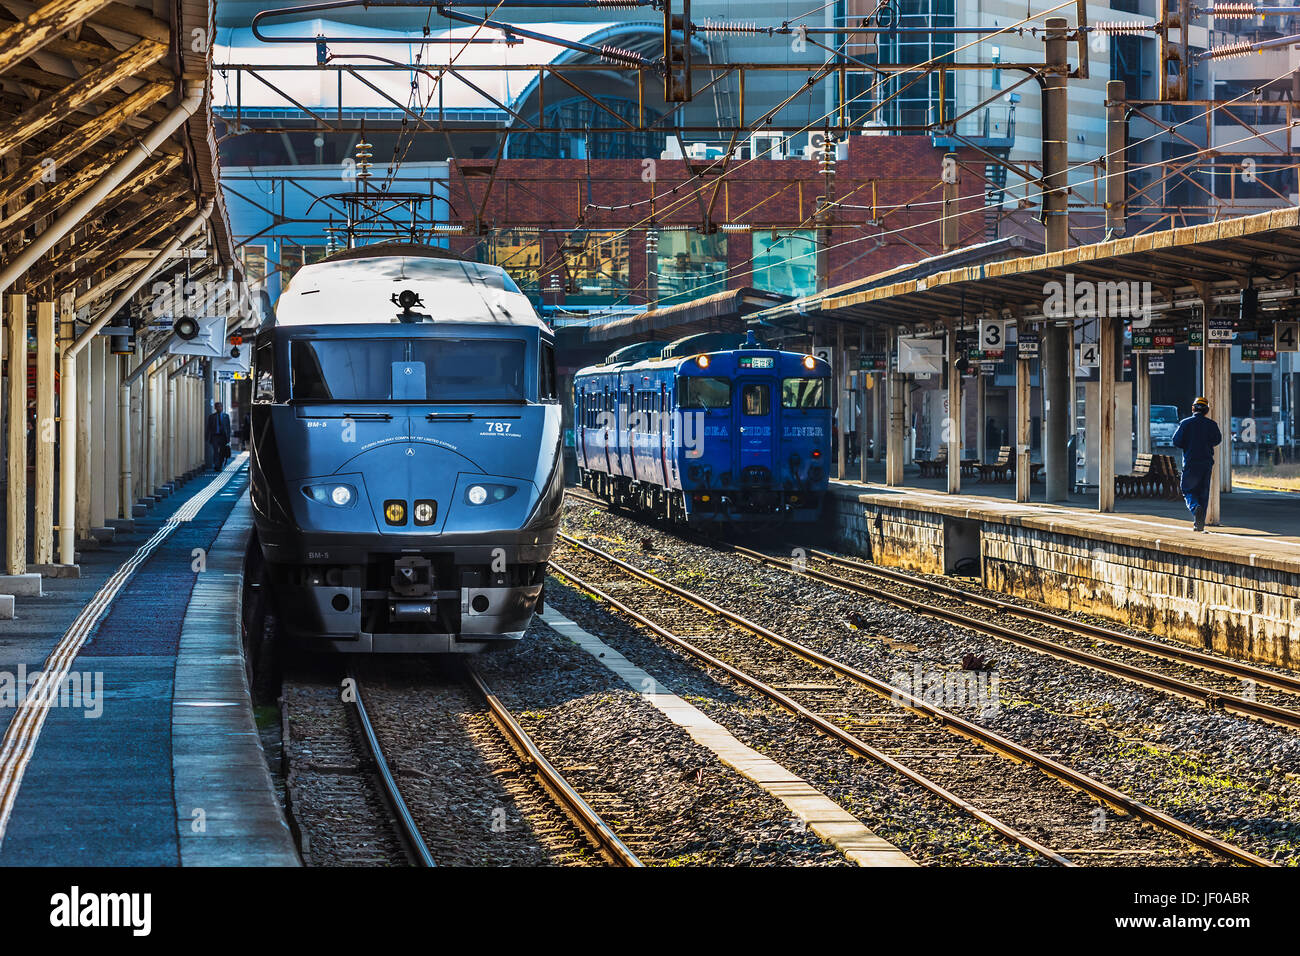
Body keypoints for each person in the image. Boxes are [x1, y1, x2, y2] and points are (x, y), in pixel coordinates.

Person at [1171, 396, 1222, 532]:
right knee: (1203, 492)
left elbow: (1176, 441)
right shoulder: (1212, 425)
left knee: (1187, 489)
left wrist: (1189, 443)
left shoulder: (1185, 423)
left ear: (1193, 409)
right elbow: (1217, 440)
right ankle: (1199, 524)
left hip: (1190, 462)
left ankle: (1194, 507)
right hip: (1206, 463)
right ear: (1207, 410)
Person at [206, 401, 232, 472]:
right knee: (215, 451)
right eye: (218, 407)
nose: (219, 408)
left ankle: (220, 465)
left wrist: (228, 438)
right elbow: (209, 427)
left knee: (222, 452)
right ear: (215, 408)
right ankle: (217, 465)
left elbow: (228, 428)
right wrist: (207, 437)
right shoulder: (211, 417)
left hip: (223, 437)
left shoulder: (226, 416)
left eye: (220, 406)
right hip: (215, 436)